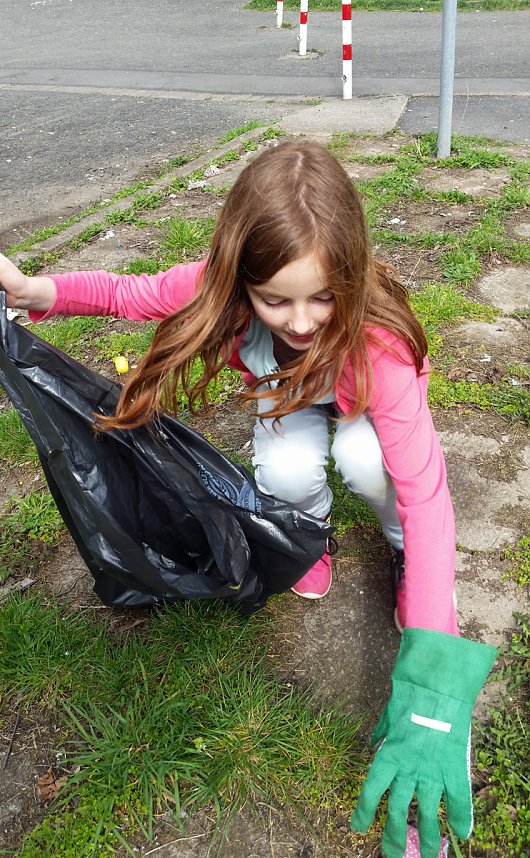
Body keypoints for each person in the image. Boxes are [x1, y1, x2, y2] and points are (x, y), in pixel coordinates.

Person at [0, 140, 496, 858]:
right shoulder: (221, 290)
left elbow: (428, 498)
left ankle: (395, 560)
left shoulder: (380, 345)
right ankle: (312, 534)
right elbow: (126, 293)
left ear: (351, 278)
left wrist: (432, 674)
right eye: (276, 300)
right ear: (242, 283)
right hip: (287, 396)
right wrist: (32, 291)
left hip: (354, 392)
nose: (299, 321)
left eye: (323, 295)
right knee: (288, 474)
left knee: (368, 461)